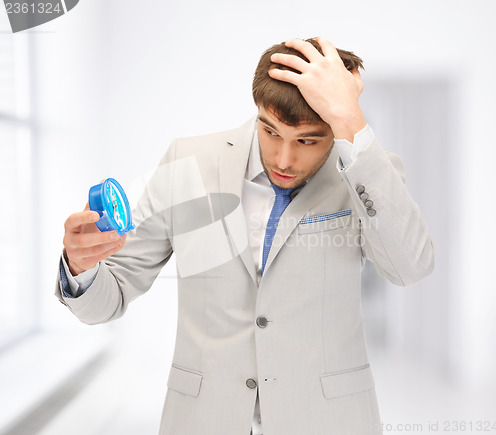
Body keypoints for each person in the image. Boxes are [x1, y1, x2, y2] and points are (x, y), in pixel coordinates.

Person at [56, 37, 434, 435]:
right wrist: (81, 268)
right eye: (270, 131)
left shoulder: (366, 176)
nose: (284, 160)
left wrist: (350, 120)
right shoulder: (187, 163)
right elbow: (107, 300)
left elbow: (410, 267)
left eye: (307, 140)